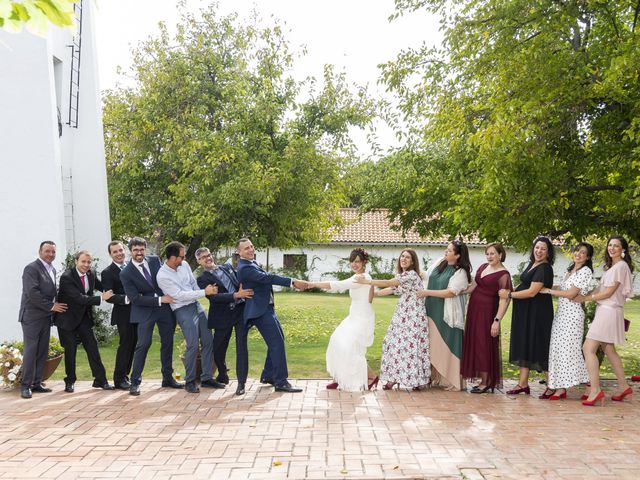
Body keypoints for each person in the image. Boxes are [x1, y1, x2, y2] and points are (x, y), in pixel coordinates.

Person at [235, 237, 307, 393]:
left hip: (266, 308)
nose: (251, 249)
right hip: (259, 311)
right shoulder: (245, 268)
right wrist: (292, 282)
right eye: (246, 248)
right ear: (238, 252)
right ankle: (280, 381)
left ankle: (269, 375)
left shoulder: (251, 263)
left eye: (251, 246)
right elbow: (267, 278)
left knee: (278, 340)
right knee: (277, 344)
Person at [355, 249, 430, 390]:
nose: (404, 259)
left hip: (413, 316)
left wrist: (367, 281)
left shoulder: (412, 275)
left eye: (408, 257)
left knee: (410, 346)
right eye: (402, 256)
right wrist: (374, 293)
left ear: (413, 262)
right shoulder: (403, 275)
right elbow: (390, 289)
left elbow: (389, 282)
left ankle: (416, 380)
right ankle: (393, 377)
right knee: (391, 343)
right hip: (402, 315)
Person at [574, 236, 634, 406]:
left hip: (608, 311)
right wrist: (580, 292)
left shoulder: (621, 266)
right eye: (610, 245)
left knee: (588, 348)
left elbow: (608, 293)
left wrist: (586, 298)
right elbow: (600, 288)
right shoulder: (612, 267)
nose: (612, 248)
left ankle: (595, 390)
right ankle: (623, 386)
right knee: (608, 349)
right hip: (606, 311)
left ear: (623, 249)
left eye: (616, 246)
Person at [307, 248, 378, 391]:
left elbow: (339, 285)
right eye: (352, 261)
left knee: (352, 349)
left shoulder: (361, 278)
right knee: (336, 340)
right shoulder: (361, 277)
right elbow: (370, 297)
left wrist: (313, 284)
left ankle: (371, 377)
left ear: (364, 262)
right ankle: (338, 378)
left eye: (357, 261)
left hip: (362, 317)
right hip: (354, 315)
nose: (354, 264)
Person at [156, 241, 222, 393]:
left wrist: (202, 291)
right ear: (172, 258)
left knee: (208, 340)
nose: (184, 258)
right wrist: (204, 292)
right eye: (181, 256)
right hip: (182, 309)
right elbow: (178, 296)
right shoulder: (163, 276)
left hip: (196, 305)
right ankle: (190, 380)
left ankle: (206, 378)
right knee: (192, 344)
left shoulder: (184, 265)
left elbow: (192, 283)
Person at [120, 237, 183, 396]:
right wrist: (160, 299)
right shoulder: (126, 273)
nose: (139, 252)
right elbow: (135, 298)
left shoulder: (155, 260)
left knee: (167, 343)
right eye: (135, 250)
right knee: (143, 345)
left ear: (145, 249)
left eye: (141, 249)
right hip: (144, 311)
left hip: (165, 310)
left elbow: (165, 277)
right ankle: (135, 382)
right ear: (131, 251)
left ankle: (167, 378)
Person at [499, 236, 555, 397]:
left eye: (543, 249)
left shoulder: (544, 269)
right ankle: (523, 384)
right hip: (526, 313)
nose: (539, 251)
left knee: (540, 345)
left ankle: (551, 384)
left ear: (548, 252)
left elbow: (532, 292)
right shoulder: (533, 264)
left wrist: (509, 294)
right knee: (525, 344)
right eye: (537, 247)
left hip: (538, 315)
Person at [55, 250, 115, 393]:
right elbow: (79, 298)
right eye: (83, 261)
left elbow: (102, 287)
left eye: (89, 262)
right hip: (67, 319)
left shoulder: (91, 273)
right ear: (76, 261)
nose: (86, 265)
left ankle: (100, 380)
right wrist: (102, 298)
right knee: (70, 351)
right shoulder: (67, 277)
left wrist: (116, 290)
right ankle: (70, 381)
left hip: (84, 319)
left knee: (93, 348)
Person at [196, 247, 253, 396]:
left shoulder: (226, 267)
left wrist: (240, 292)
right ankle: (222, 373)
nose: (207, 258)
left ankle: (241, 383)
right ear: (199, 261)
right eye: (203, 257)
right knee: (218, 349)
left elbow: (237, 282)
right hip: (222, 316)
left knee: (241, 347)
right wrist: (235, 295)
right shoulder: (202, 280)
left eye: (208, 255)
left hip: (240, 312)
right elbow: (214, 298)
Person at [540, 243, 593, 400]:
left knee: (571, 351)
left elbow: (571, 294)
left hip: (573, 316)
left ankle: (590, 383)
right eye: (577, 250)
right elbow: (564, 289)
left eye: (583, 253)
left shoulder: (585, 271)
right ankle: (561, 387)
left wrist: (549, 291)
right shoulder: (570, 270)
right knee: (558, 351)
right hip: (561, 315)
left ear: (588, 257)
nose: (578, 254)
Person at [418, 240, 471, 392]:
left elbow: (451, 292)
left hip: (447, 315)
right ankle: (436, 377)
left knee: (449, 344)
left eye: (449, 251)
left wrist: (427, 293)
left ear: (458, 255)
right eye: (446, 249)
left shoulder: (460, 272)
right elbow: (427, 277)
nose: (445, 252)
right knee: (432, 345)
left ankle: (452, 381)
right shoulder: (440, 263)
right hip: (430, 310)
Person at [18, 241, 67, 399]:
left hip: (45, 317)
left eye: (53, 252)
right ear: (40, 251)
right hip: (32, 317)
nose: (50, 254)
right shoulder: (31, 268)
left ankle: (37, 383)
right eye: (47, 251)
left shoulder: (51, 269)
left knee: (42, 351)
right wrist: (52, 306)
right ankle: (25, 386)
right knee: (31, 352)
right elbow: (32, 293)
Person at [460, 242, 511, 393]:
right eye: (487, 254)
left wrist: (496, 321)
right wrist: (459, 291)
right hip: (474, 312)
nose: (489, 256)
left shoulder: (504, 275)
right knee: (476, 344)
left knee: (484, 345)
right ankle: (482, 379)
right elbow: (474, 285)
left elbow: (505, 300)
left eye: (493, 253)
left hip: (488, 314)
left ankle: (487, 381)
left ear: (500, 255)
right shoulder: (483, 267)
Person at [101, 241, 136, 390]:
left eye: (120, 250)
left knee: (134, 344)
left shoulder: (132, 266)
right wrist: (127, 298)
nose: (119, 253)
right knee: (125, 345)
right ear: (110, 254)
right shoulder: (107, 272)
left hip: (138, 312)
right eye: (115, 252)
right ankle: (119, 378)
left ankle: (125, 376)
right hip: (123, 313)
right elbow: (108, 296)